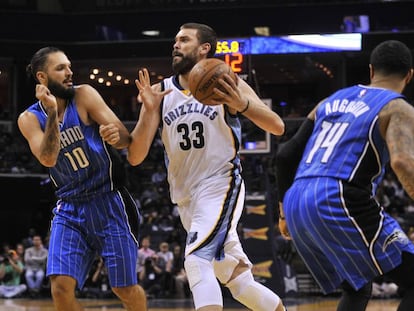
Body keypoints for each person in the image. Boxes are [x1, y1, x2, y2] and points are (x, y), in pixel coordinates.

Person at [128, 22, 286, 311]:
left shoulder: (226, 81)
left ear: (204, 49)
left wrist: (243, 104)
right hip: (185, 198)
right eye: (175, 40)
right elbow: (135, 156)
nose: (176, 45)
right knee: (238, 281)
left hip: (221, 183)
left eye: (184, 40)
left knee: (196, 261)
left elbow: (277, 126)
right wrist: (149, 111)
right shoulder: (160, 93)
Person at [276, 40, 414, 311]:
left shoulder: (330, 101)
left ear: (372, 70)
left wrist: (283, 214)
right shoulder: (397, 107)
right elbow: (402, 162)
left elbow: (285, 154)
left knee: (357, 286)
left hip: (296, 199)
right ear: (409, 75)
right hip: (338, 196)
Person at [17, 46, 147, 311]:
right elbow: (48, 158)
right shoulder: (29, 118)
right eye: (60, 68)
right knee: (60, 288)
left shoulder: (84, 94)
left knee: (123, 287)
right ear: (42, 77)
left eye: (69, 66)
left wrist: (115, 136)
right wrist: (53, 112)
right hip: (70, 206)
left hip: (109, 201)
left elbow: (124, 137)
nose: (69, 72)